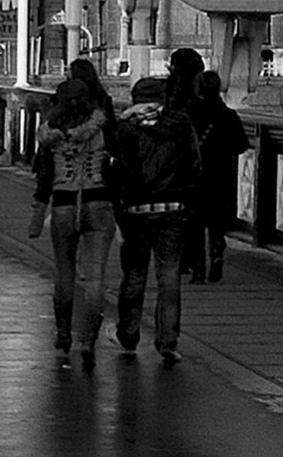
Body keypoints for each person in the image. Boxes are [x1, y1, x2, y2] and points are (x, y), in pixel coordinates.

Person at [112, 74, 201, 367]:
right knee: (169, 274)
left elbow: (116, 172)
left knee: (135, 274)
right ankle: (167, 341)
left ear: (136, 98)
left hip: (136, 210)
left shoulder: (123, 128)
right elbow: (194, 165)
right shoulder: (180, 124)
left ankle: (128, 332)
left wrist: (120, 207)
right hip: (173, 207)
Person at [30, 77, 116, 370]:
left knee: (64, 272)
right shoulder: (101, 128)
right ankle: (89, 339)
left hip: (64, 203)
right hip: (99, 202)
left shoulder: (50, 134)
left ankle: (63, 335)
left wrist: (39, 213)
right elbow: (116, 167)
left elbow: (43, 175)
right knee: (95, 278)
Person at [183, 69, 249, 284]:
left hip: (193, 176)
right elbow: (241, 145)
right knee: (217, 222)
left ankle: (198, 269)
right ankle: (217, 255)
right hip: (221, 175)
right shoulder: (228, 115)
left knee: (195, 223)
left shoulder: (188, 114)